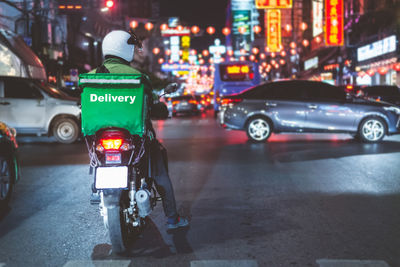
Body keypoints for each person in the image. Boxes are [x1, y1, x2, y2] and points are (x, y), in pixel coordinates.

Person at [89, 30, 189, 230]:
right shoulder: (137, 76)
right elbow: (152, 104)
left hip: (101, 138)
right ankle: (172, 219)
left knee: (96, 158)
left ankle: (95, 187)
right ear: (125, 49)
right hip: (134, 137)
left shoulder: (91, 76)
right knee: (159, 170)